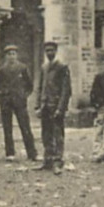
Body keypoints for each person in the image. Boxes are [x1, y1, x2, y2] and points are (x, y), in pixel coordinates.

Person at [0, 44, 38, 163]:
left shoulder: (22, 68)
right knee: (7, 128)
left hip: (19, 102)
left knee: (25, 127)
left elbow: (29, 85)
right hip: (6, 102)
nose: (11, 56)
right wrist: (1, 100)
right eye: (9, 54)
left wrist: (23, 96)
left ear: (17, 55)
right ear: (6, 56)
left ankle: (32, 153)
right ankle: (10, 153)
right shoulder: (2, 70)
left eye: (13, 54)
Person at [35, 40, 70, 174]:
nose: (49, 53)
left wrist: (61, 108)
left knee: (57, 135)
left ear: (56, 51)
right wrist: (38, 105)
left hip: (55, 107)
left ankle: (57, 162)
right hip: (45, 106)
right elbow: (40, 87)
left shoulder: (62, 67)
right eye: (47, 50)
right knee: (46, 134)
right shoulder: (44, 67)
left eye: (52, 50)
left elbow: (66, 90)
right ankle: (47, 161)